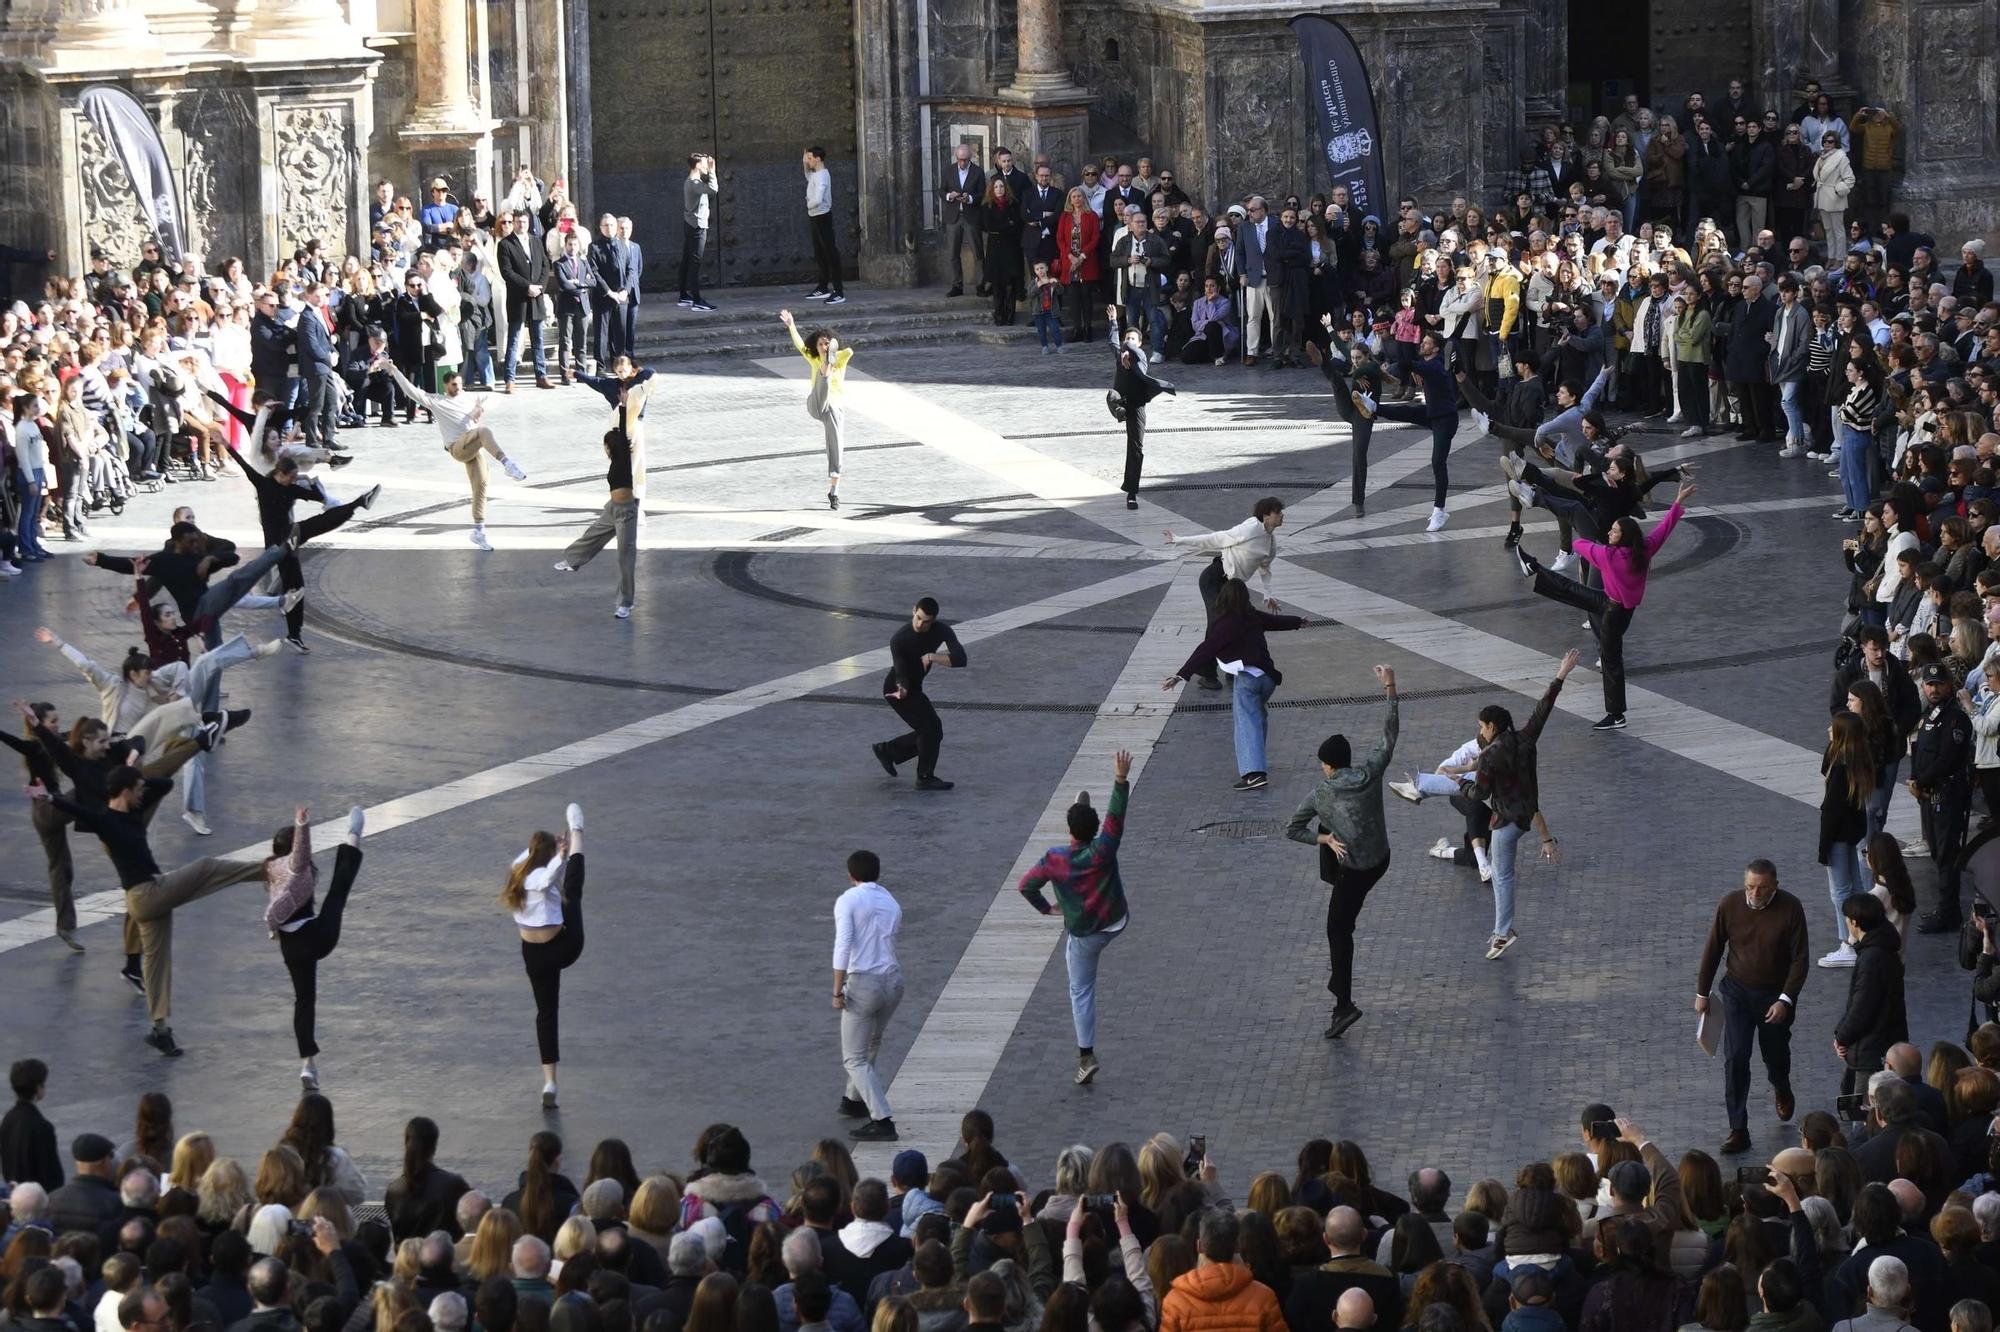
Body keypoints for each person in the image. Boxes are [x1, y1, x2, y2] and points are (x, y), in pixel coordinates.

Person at [31, 769, 272, 1057]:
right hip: (146, 895)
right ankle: (268, 870)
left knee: (157, 963)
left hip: (151, 894)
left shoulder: (134, 811)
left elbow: (166, 783)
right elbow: (74, 807)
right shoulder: (104, 820)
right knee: (207, 866)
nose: (143, 793)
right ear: (124, 791)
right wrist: (49, 797)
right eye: (138, 789)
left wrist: (136, 773)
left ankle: (160, 1030)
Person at [1508, 477, 1696, 731]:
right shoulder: (1644, 549)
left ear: (1623, 537)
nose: (1610, 532)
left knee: (1611, 662)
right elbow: (1665, 527)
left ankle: (1616, 715)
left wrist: (1593, 542)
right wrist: (1677, 502)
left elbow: (1578, 544)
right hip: (1617, 606)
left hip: (1612, 613)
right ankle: (1534, 568)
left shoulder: (1609, 555)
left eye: (1614, 530)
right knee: (1574, 590)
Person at [1285, 667, 1399, 1039]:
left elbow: (1292, 829)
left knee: (1338, 929)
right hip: (1380, 859)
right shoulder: (1369, 773)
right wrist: (1390, 687)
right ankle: (1340, 995)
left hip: (1354, 868)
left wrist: (1325, 841)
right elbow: (1389, 735)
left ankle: (1343, 1004)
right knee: (1342, 918)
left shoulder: (1322, 793)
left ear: (1329, 765)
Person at [1017, 750, 1133, 1087]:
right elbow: (1116, 817)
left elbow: (1026, 885)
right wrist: (1120, 780)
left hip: (1083, 932)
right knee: (1085, 973)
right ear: (1094, 831)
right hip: (1115, 920)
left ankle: (1086, 1056)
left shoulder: (1055, 859)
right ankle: (1083, 812)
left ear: (1070, 830)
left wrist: (1046, 908)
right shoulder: (1104, 849)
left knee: (1081, 991)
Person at [1694, 859, 1810, 1155]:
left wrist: (1785, 999)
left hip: (1774, 995)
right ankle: (1738, 1128)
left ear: (1775, 886)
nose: (1755, 894)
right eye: (1750, 886)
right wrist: (1702, 992)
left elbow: (1800, 959)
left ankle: (1781, 1085)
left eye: (1762, 888)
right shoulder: (1730, 904)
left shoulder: (1791, 908)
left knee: (1775, 1053)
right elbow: (1714, 947)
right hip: (1736, 993)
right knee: (1735, 1057)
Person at [1472, 650, 1581, 960]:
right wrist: (1560, 675)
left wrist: (1463, 785)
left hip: (1505, 821)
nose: (1480, 731)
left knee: (1502, 876)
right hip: (1523, 818)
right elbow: (1542, 710)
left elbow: (1479, 793)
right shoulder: (1525, 740)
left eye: (1482, 726)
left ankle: (1502, 933)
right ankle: (1501, 931)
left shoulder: (1491, 756)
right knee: (1501, 873)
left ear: (1492, 726)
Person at [1163, 577, 1313, 790]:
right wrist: (1299, 621)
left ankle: (1254, 773)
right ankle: (1257, 760)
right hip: (1267, 679)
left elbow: (1205, 649)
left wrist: (1180, 676)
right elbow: (1275, 622)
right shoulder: (1251, 616)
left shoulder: (1225, 624)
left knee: (1246, 724)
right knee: (1257, 718)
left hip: (1248, 679)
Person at [375, 359, 528, 550]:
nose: (458, 388)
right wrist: (395, 370)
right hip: (458, 448)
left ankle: (478, 531)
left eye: (460, 384)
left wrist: (481, 407)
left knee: (481, 484)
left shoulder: (469, 397)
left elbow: (495, 397)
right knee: (483, 431)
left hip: (473, 447)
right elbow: (410, 391)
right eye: (454, 385)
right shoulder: (437, 401)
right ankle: (507, 463)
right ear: (445, 385)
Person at [265, 805, 366, 1093]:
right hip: (316, 937)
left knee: (304, 1000)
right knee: (338, 891)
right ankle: (354, 836)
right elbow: (301, 851)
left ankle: (308, 1064)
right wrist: (302, 823)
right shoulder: (297, 869)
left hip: (290, 947)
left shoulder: (272, 869)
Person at [504, 802, 588, 1109]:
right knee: (574, 891)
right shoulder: (539, 878)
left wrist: (552, 850)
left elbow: (538, 859)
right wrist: (564, 854)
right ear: (547, 855)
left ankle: (550, 1081)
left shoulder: (517, 869)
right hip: (565, 947)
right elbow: (549, 877)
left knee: (546, 1013)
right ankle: (578, 830)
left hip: (533, 956)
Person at [553, 359, 651, 619]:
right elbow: (618, 424)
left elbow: (625, 434)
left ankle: (625, 603)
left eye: (606, 446)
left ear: (613, 448)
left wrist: (630, 393)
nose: (604, 449)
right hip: (612, 509)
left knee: (625, 557)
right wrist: (620, 404)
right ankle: (573, 562)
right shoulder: (615, 459)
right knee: (591, 537)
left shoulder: (624, 460)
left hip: (626, 512)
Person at [1162, 499, 1286, 691]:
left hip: (1234, 587)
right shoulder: (1251, 527)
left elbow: (1265, 566)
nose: (1282, 515)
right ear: (1267, 515)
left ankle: (1234, 667)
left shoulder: (1270, 542)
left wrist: (1268, 594)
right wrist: (1180, 540)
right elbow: (1217, 538)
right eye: (1278, 512)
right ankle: (1208, 675)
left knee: (1244, 621)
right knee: (1218, 625)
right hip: (1214, 579)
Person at [831, 850, 902, 1143]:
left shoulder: (848, 899)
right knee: (872, 1041)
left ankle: (882, 1118)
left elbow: (844, 943)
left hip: (864, 983)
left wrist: (837, 990)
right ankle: (853, 1099)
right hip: (894, 982)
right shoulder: (891, 901)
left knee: (853, 1058)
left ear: (851, 876)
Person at [870, 598, 966, 791]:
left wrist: (932, 656)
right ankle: (924, 777)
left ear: (934, 621)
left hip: (914, 687)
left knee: (931, 731)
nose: (920, 624)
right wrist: (902, 688)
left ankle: (888, 751)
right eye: (918, 618)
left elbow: (961, 659)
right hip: (897, 689)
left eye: (926, 621)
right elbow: (901, 670)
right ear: (913, 611)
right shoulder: (900, 639)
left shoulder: (942, 630)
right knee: (931, 728)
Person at [1368, 331, 1458, 531]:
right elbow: (1412, 365)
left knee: (1437, 462)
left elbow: (1409, 364)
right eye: (1423, 342)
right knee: (1404, 412)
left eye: (1426, 343)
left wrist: (1402, 343)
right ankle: (1373, 407)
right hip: (1432, 413)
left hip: (1446, 419)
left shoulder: (1434, 366)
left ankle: (1439, 511)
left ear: (1435, 349)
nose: (1423, 345)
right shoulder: (1430, 363)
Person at [1908, 661, 1972, 933]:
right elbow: (1919, 748)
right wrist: (1914, 781)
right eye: (1929, 684)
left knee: (1947, 856)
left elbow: (1947, 758)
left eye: (1938, 684)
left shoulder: (1955, 718)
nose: (1933, 689)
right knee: (1937, 851)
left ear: (1949, 685)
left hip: (1947, 794)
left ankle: (1948, 912)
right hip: (1928, 795)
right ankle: (1946, 909)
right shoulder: (1929, 714)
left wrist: (1920, 781)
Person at [1832, 894, 1908, 1097]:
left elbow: (1862, 1006)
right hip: (1881, 1043)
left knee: (1864, 1114)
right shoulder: (1885, 949)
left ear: (1855, 922)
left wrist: (1842, 1036)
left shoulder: (1871, 958)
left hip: (1871, 1050)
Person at [780, 309, 852, 510]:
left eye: (826, 343)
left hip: (833, 409)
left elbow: (849, 352)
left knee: (836, 444)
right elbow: (799, 345)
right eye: (820, 344)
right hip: (816, 403)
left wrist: (834, 355)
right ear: (816, 347)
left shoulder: (841, 360)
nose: (823, 346)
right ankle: (825, 372)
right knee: (823, 377)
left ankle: (834, 491)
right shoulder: (813, 358)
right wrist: (791, 325)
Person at [1107, 325, 1175, 510]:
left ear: (1140, 343)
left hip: (1137, 405)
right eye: (1126, 338)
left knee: (1136, 448)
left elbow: (1133, 352)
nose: (1128, 341)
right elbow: (1113, 342)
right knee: (1111, 395)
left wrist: (1127, 350)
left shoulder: (1141, 357)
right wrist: (1113, 322)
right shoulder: (1120, 354)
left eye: (1132, 339)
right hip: (1121, 400)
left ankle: (1131, 492)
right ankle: (1119, 412)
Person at [497, 208, 554, 392]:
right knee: (514, 339)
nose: (522, 225)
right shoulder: (505, 244)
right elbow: (507, 272)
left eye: (524, 222)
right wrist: (526, 286)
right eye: (518, 222)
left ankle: (541, 376)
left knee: (538, 338)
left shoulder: (536, 241)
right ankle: (509, 379)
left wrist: (540, 287)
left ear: (529, 223)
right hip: (518, 298)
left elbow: (545, 265)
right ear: (513, 223)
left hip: (536, 297)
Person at [1, 1059, 62, 1191]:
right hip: (36, 1197)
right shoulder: (42, 1126)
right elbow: (52, 1176)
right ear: (38, 1088)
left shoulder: (8, 1118)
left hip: (14, 1194)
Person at [588, 214, 640, 366]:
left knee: (620, 333)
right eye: (605, 225)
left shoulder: (623, 245)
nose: (609, 228)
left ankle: (619, 364)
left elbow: (631, 270)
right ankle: (600, 365)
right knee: (602, 333)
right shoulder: (595, 247)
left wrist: (625, 290)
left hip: (622, 296)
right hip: (603, 296)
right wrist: (609, 292)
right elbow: (594, 272)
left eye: (611, 225)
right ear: (601, 227)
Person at [939, 143, 986, 298]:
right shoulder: (949, 170)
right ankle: (957, 285)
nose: (962, 163)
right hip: (953, 217)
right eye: (960, 159)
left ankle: (981, 285)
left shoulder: (978, 172)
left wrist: (970, 198)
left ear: (970, 157)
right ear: (956, 157)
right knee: (953, 253)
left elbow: (983, 194)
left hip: (971, 216)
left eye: (965, 160)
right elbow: (941, 190)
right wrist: (949, 196)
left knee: (977, 252)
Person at [804, 147, 845, 304]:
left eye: (810, 158)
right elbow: (809, 177)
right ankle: (823, 287)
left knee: (830, 253)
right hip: (816, 216)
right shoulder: (816, 174)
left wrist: (809, 205)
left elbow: (819, 199)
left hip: (822, 217)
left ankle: (838, 291)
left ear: (818, 158)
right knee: (820, 253)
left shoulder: (821, 176)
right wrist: (804, 163)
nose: (809, 161)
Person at [680, 154, 719, 312]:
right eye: (703, 163)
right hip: (696, 226)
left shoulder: (692, 182)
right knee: (695, 262)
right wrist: (712, 171)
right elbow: (713, 189)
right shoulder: (694, 183)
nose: (706, 165)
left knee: (687, 260)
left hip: (691, 224)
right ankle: (697, 300)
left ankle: (684, 295)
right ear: (696, 165)